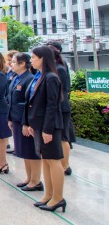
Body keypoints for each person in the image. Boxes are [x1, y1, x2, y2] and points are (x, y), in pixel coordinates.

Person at [25, 46, 66, 213]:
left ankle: (58, 197)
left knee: (54, 161)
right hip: (39, 125)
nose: (31, 60)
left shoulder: (50, 78)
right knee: (45, 159)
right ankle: (48, 194)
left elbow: (52, 105)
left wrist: (47, 129)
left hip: (49, 126)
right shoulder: (40, 76)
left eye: (34, 57)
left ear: (43, 58)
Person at [7, 53, 41, 191]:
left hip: (24, 120)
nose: (11, 64)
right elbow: (11, 99)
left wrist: (27, 123)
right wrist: (10, 118)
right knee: (24, 151)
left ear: (22, 64)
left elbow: (29, 103)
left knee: (31, 151)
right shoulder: (16, 78)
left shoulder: (29, 79)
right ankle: (29, 178)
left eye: (14, 62)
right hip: (16, 118)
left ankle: (36, 180)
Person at [47, 42, 75, 176]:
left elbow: (62, 90)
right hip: (58, 106)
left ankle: (66, 165)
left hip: (62, 107)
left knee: (64, 138)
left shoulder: (60, 69)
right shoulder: (53, 70)